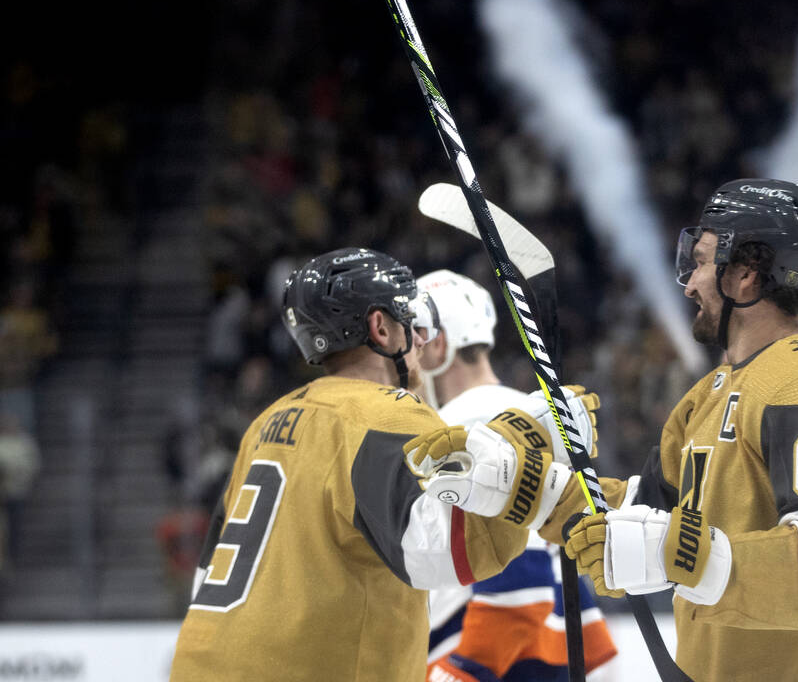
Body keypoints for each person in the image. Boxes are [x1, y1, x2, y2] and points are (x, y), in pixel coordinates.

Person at [407, 180, 798, 682]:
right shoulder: (707, 396)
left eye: (703, 261)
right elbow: (643, 514)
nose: (690, 283)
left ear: (746, 274)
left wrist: (677, 552)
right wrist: (524, 485)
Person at [170, 248, 598, 682]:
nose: (420, 338)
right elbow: (454, 550)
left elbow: (207, 570)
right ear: (380, 328)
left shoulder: (266, 421)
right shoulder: (387, 414)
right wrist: (528, 439)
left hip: (199, 662)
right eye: (409, 319)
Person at [416, 269, 617, 682]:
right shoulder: (529, 413)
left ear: (439, 344)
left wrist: (459, 673)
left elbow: (520, 586)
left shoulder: (462, 430)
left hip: (497, 661)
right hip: (551, 656)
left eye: (416, 336)